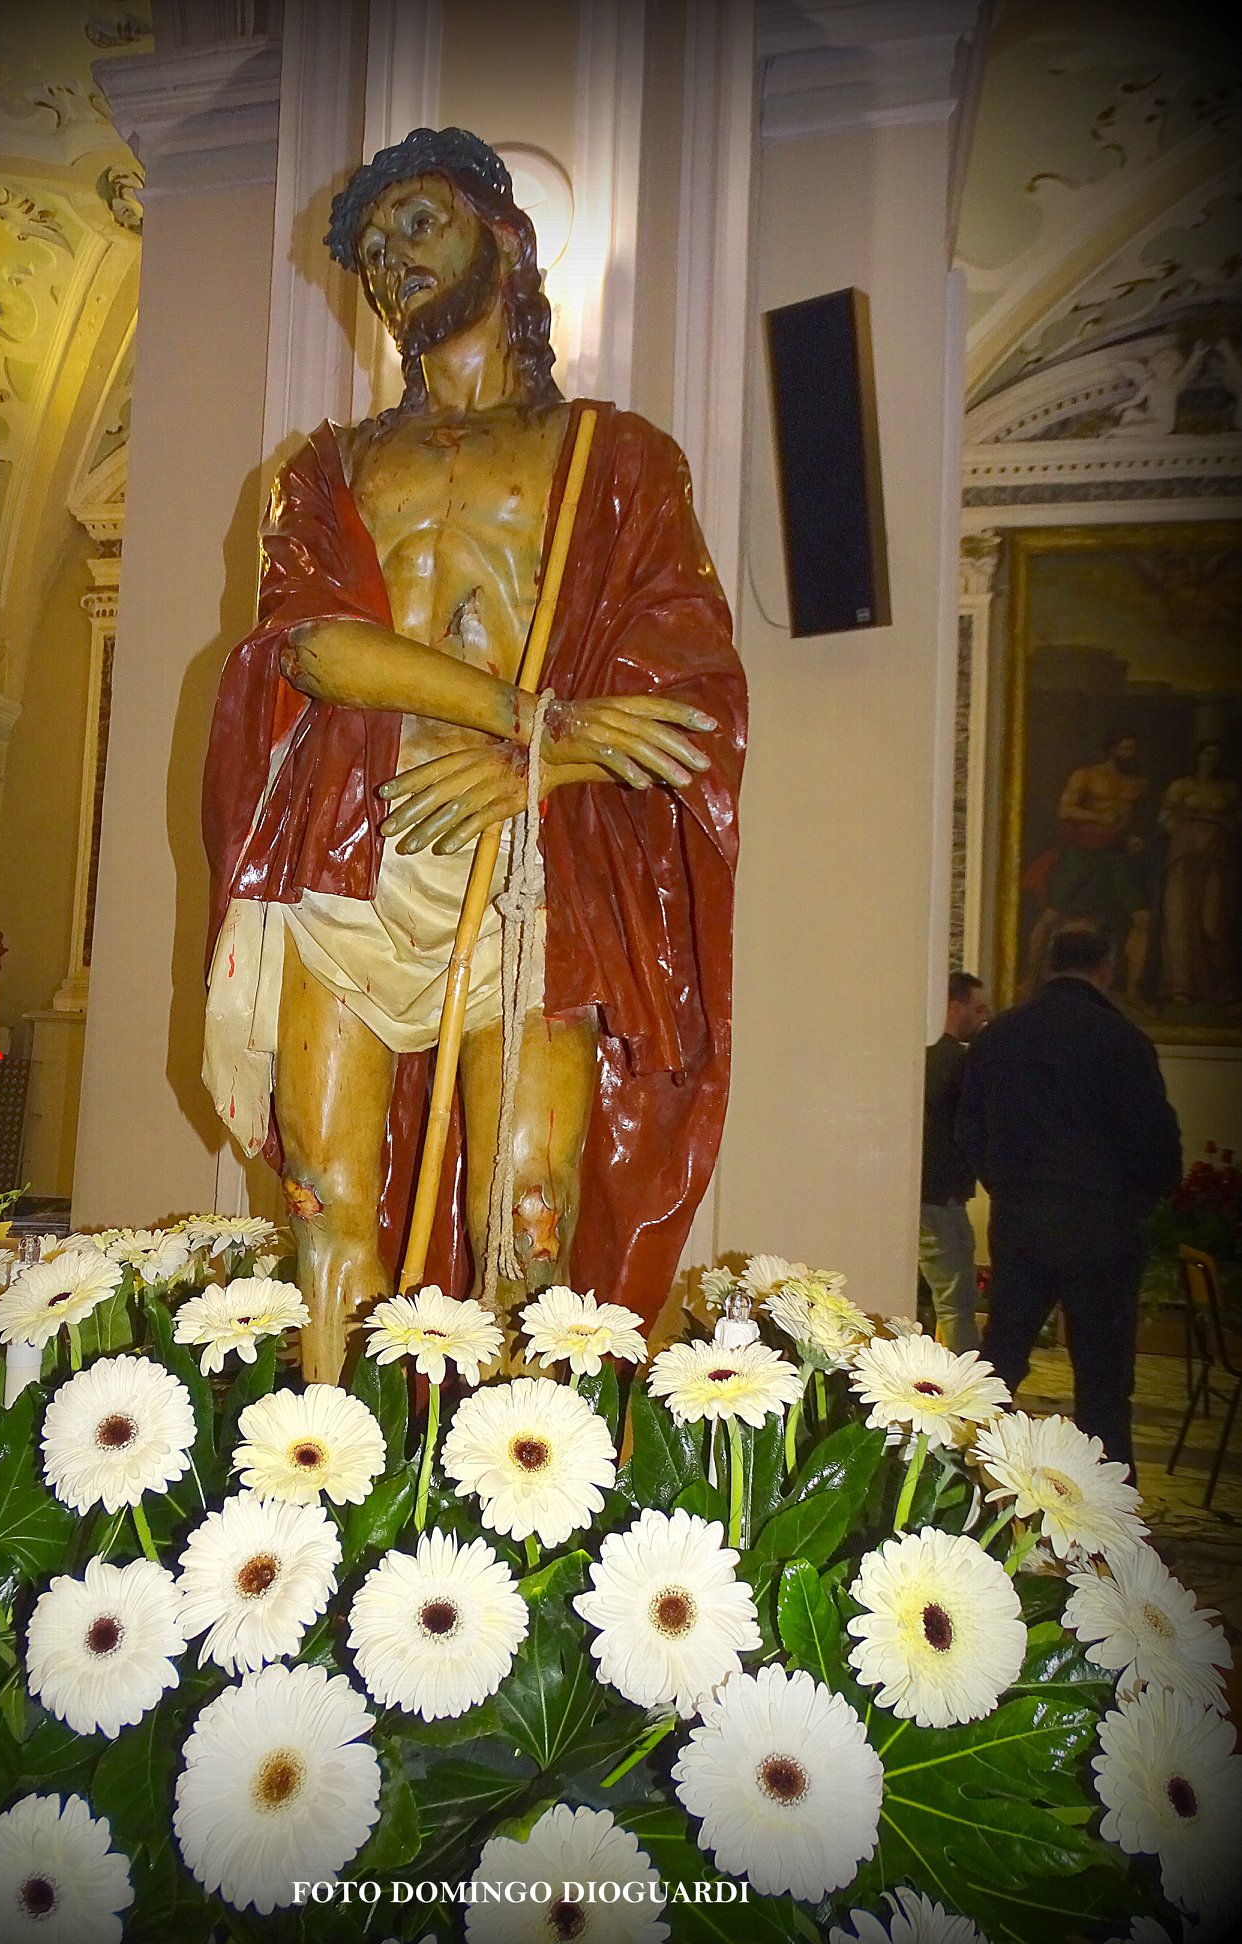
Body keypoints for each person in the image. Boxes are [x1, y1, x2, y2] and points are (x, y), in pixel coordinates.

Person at [200, 127, 746, 1377]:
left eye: (418, 225)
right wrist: (537, 717)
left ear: (506, 235)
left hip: (530, 867)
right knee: (326, 1211)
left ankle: (516, 1524)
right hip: (351, 852)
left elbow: (689, 704)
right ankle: (322, 1490)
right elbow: (314, 647)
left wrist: (544, 768)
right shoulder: (324, 470)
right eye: (372, 250)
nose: (389, 261)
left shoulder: (619, 460)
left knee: (530, 1221)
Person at [957, 923, 1182, 1473]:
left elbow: (968, 1129)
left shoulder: (1002, 1034)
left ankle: (961, 1484)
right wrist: (1136, 1202)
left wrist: (1006, 1187)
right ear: (1105, 968)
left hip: (1024, 1218)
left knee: (1000, 1364)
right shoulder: (1124, 1040)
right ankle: (1112, 1520)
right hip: (1105, 1226)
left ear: (1048, 965)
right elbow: (1157, 1146)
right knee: (1104, 1385)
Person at [1023, 730, 1151, 998]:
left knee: (1143, 917)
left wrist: (1135, 836)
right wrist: (1099, 816)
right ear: (1112, 749)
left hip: (1116, 853)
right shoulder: (1087, 776)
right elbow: (1066, 809)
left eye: (1133, 750)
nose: (1129, 754)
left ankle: (1133, 990)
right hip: (1082, 850)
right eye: (1125, 749)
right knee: (1051, 915)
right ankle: (1032, 980)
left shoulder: (1138, 783)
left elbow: (1135, 820)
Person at [917, 971, 990, 1352]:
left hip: (934, 1193)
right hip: (939, 1196)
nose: (983, 1018)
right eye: (977, 1009)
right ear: (953, 1005)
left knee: (952, 1299)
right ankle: (966, 1393)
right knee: (956, 1304)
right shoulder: (949, 1060)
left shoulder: (925, 1055)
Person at [1156, 739, 1241, 1010]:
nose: (1211, 759)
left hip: (1217, 860)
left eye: (1217, 754)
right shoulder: (1181, 785)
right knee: (1179, 919)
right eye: (1207, 753)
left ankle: (1221, 987)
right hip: (1184, 859)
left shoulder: (1228, 788)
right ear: (1198, 755)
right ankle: (1181, 986)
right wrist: (1185, 835)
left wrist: (1215, 828)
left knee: (1213, 922)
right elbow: (1165, 816)